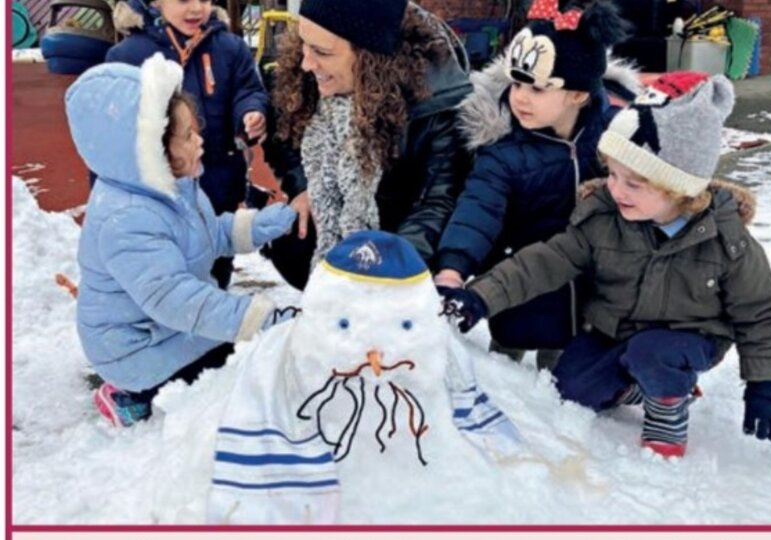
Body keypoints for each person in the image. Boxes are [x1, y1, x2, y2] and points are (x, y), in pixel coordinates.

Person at [439, 73, 771, 458]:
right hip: (614, 330)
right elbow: (543, 261)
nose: (615, 189)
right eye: (612, 174)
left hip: (687, 337)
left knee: (655, 353)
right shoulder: (603, 217)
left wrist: (763, 383)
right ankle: (651, 384)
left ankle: (666, 411)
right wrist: (479, 297)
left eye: (633, 183)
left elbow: (759, 312)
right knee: (571, 387)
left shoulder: (726, 239)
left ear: (680, 187)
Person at [66, 54, 297, 427]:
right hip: (134, 348)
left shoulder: (172, 187)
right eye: (188, 136)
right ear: (151, 151)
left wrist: (271, 222)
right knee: (241, 358)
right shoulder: (127, 219)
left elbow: (207, 235)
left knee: (238, 342)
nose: (200, 141)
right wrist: (262, 318)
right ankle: (129, 393)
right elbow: (177, 300)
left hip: (159, 328)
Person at [434, 0, 634, 366]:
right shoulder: (503, 148)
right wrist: (453, 267)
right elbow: (478, 210)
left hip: (592, 291)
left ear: (578, 94)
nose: (520, 98)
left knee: (565, 377)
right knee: (511, 374)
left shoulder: (615, 135)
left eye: (538, 89)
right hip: (519, 287)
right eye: (516, 83)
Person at [261, 0, 473, 289]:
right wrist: (302, 186)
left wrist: (385, 268)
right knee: (295, 237)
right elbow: (282, 131)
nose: (306, 63)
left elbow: (436, 203)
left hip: (401, 243)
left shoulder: (437, 106)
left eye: (321, 52)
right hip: (327, 245)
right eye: (303, 44)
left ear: (370, 57)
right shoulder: (311, 75)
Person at [107, 0, 269, 288]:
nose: (196, 8)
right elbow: (113, 131)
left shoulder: (230, 48)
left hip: (219, 184)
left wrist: (251, 112)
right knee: (168, 272)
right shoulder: (128, 55)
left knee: (217, 264)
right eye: (184, 0)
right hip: (160, 193)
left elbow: (248, 89)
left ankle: (213, 324)